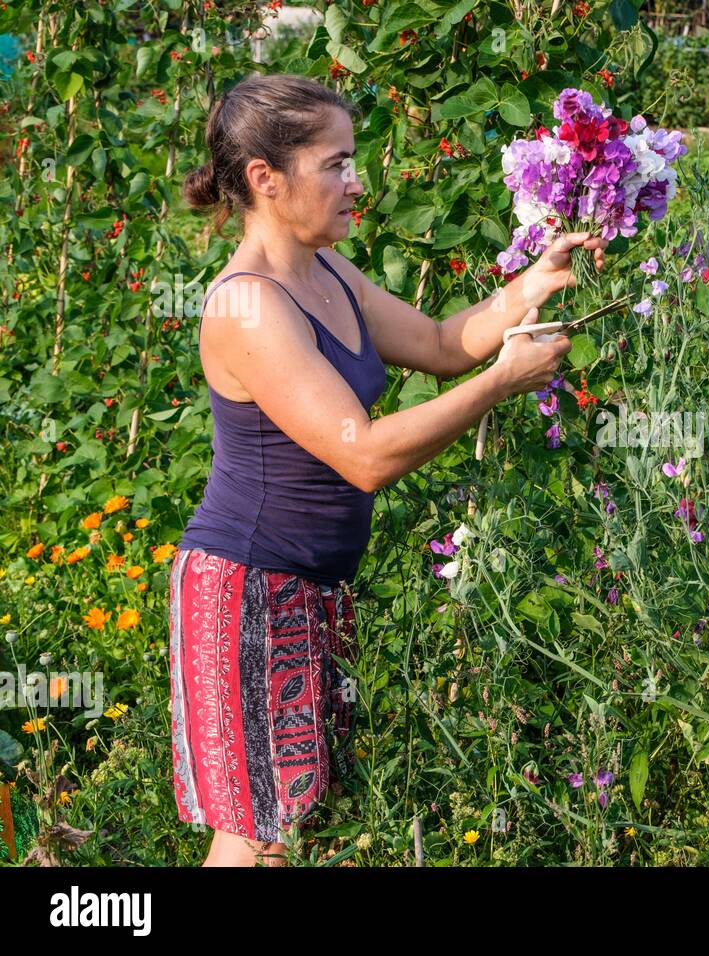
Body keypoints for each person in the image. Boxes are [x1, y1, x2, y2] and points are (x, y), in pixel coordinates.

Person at [170, 73, 608, 866]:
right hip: (249, 593)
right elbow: (363, 454)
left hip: (306, 588)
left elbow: (441, 345)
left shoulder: (326, 272)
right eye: (335, 163)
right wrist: (501, 383)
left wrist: (531, 285)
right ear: (267, 179)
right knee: (260, 837)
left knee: (280, 829)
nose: (355, 181)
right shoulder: (250, 306)